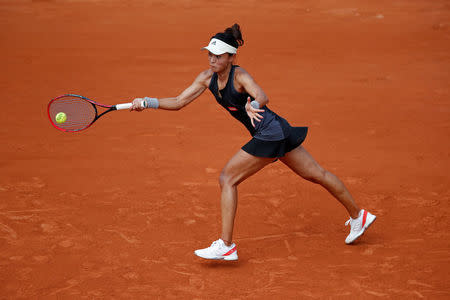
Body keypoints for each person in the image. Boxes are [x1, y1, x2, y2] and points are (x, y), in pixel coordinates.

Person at [130, 24, 376, 261]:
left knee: (228, 179)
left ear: (230, 57)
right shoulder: (206, 78)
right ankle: (359, 216)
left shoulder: (240, 76)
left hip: (269, 133)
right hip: (278, 129)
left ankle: (226, 246)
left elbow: (262, 96)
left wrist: (253, 106)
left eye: (218, 55)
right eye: (209, 54)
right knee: (316, 174)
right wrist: (148, 102)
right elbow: (178, 101)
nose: (212, 59)